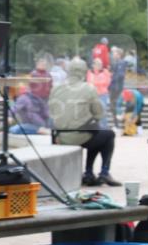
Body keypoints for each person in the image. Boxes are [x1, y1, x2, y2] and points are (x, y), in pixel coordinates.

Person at [49, 58, 121, 186]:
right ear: (83, 72)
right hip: (79, 137)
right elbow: (99, 113)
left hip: (59, 137)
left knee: (94, 131)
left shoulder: (56, 88)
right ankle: (103, 173)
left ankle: (89, 173)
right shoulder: (88, 88)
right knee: (108, 135)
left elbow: (51, 112)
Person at [86, 58, 112, 128]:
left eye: (101, 64)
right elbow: (89, 83)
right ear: (93, 65)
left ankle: (104, 128)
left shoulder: (105, 72)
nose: (100, 65)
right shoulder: (89, 72)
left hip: (103, 94)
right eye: (98, 64)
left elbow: (107, 82)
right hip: (93, 95)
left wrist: (95, 83)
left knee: (103, 111)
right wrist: (98, 83)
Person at [108, 47, 127, 128]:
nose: (113, 54)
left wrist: (111, 78)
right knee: (113, 106)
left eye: (114, 53)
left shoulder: (121, 62)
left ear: (119, 54)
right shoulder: (116, 62)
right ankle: (117, 124)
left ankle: (118, 124)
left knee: (115, 105)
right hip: (115, 87)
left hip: (116, 87)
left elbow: (120, 75)